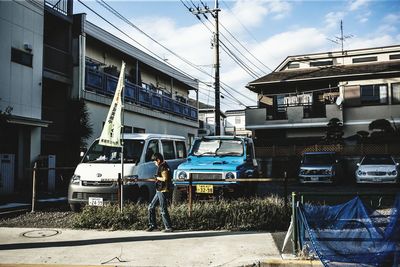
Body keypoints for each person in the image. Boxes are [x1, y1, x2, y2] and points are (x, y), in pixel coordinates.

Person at [147, 152, 173, 232]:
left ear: (158, 160)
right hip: (159, 189)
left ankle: (168, 227)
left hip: (163, 190)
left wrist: (157, 177)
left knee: (163, 208)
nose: (154, 163)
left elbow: (165, 178)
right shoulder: (162, 166)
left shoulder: (163, 167)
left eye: (155, 161)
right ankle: (153, 225)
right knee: (151, 207)